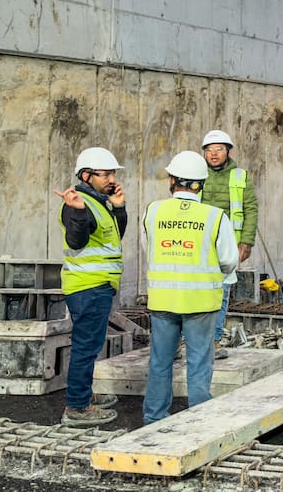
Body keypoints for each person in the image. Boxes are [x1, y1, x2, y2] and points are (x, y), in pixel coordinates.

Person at [142, 151, 239, 425]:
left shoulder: (153, 211)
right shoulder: (215, 217)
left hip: (162, 301)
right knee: (198, 364)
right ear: (202, 183)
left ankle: (154, 419)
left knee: (160, 362)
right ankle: (199, 423)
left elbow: (148, 249)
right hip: (200, 302)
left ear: (172, 179)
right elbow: (229, 260)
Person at [53, 147, 128, 427]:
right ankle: (76, 406)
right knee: (86, 346)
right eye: (105, 174)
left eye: (112, 173)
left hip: (97, 286)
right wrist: (79, 212)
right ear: (86, 175)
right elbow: (76, 240)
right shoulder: (78, 203)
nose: (111, 178)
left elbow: (114, 237)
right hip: (88, 287)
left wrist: (118, 207)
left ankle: (82, 395)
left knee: (90, 345)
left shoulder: (99, 202)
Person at [201, 129, 258, 359]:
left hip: (227, 244)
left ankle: (213, 341)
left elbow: (251, 209)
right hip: (199, 243)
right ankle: (191, 340)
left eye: (219, 150)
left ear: (228, 152)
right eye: (209, 150)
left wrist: (246, 241)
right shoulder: (196, 174)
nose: (213, 155)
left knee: (222, 292)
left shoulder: (240, 176)